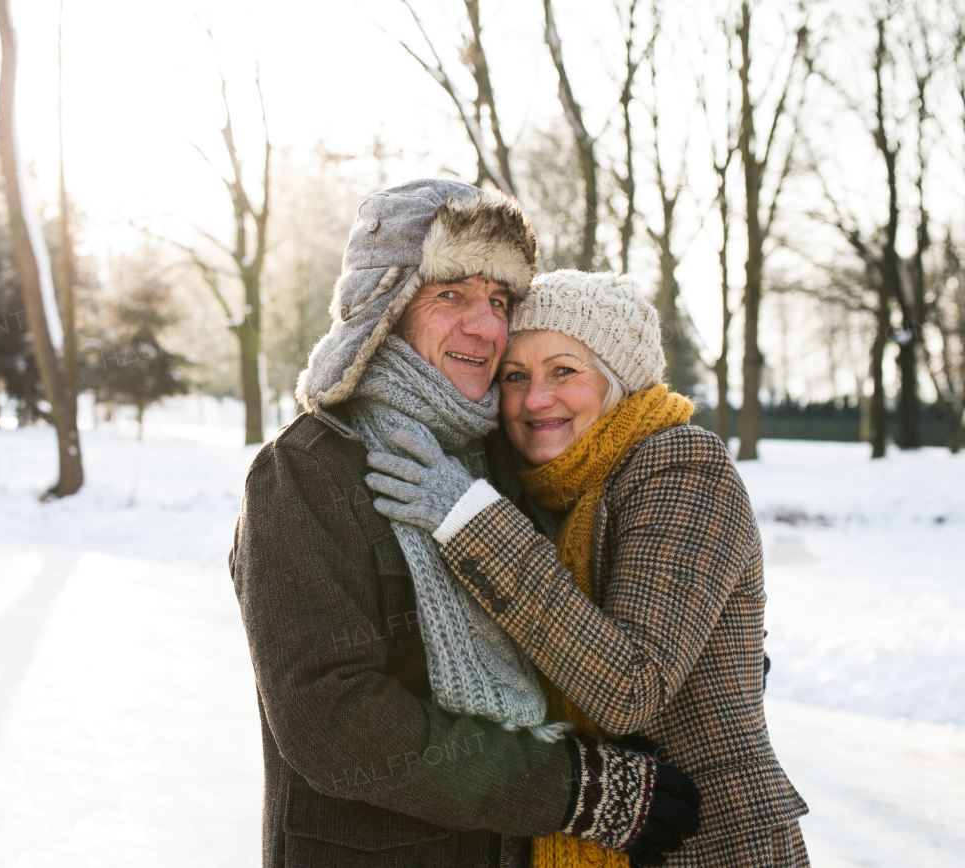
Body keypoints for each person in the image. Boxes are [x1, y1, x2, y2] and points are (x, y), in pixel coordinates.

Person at [230, 182, 700, 868]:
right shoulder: (305, 472)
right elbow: (332, 723)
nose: (487, 327)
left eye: (500, 300)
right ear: (384, 305)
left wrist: (692, 636)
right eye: (450, 293)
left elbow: (579, 617)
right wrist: (572, 790)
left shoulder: (501, 459)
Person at [364, 269, 809, 866]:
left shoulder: (683, 466)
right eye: (515, 376)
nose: (535, 398)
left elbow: (628, 689)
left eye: (564, 371)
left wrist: (468, 517)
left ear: (617, 380)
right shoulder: (555, 489)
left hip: (704, 844)